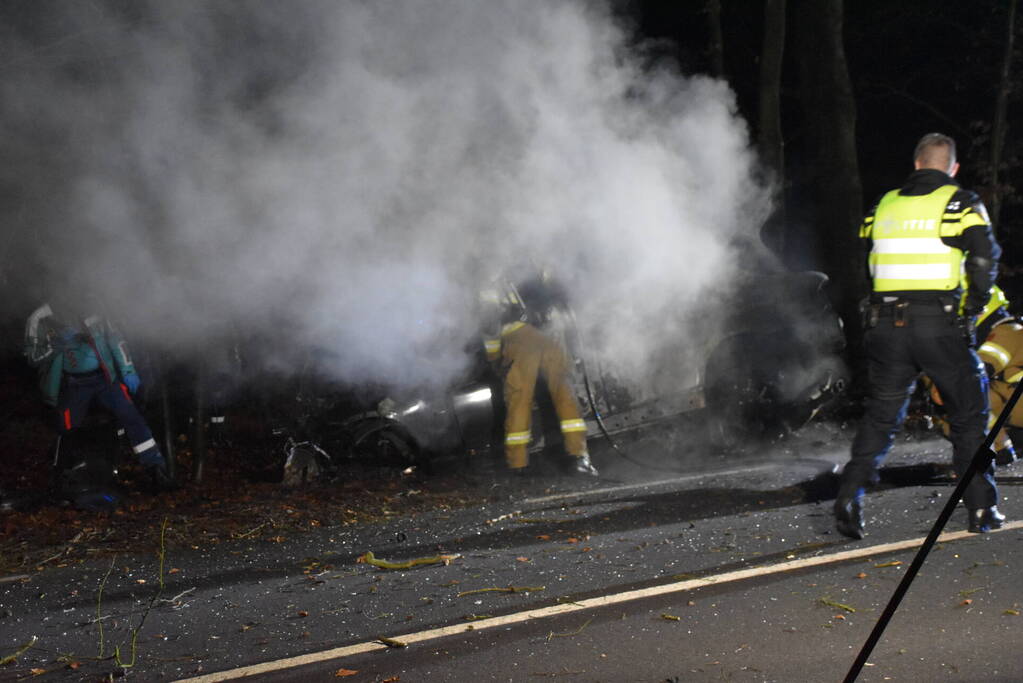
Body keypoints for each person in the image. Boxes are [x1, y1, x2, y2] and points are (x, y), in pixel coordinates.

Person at [835, 132, 1002, 539]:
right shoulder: (960, 203)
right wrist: (974, 308)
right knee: (968, 414)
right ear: (953, 168)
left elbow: (863, 259)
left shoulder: (883, 205)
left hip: (885, 325)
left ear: (915, 164)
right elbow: (984, 258)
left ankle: (850, 493)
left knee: (881, 415)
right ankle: (981, 508)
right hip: (939, 324)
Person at [23, 301, 176, 494]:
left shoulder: (96, 307)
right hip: (72, 384)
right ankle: (61, 479)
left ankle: (156, 470)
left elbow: (116, 340)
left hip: (105, 379)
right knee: (66, 428)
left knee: (132, 417)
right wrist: (56, 345)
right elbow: (32, 358)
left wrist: (128, 370)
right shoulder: (41, 318)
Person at [479, 268, 598, 477]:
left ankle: (517, 466)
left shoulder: (492, 278)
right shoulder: (540, 264)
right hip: (551, 331)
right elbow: (565, 307)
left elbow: (489, 325)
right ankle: (580, 458)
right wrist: (575, 347)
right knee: (565, 395)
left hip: (517, 337)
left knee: (519, 402)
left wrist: (494, 358)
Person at [925, 286, 1021, 466]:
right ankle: (1004, 446)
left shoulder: (1006, 332)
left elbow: (975, 373)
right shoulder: (1000, 330)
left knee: (964, 393)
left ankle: (996, 449)